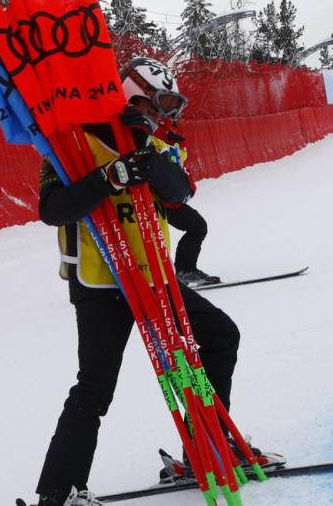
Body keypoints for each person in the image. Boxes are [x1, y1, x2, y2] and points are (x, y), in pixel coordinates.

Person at [32, 57, 241, 506]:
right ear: (130, 92)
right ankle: (59, 492)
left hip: (152, 275)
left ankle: (205, 447)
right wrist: (108, 177)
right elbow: (52, 208)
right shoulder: (74, 140)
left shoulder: (153, 139)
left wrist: (143, 144)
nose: (161, 115)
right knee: (94, 387)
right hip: (102, 283)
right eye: (156, 103)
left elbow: (179, 192)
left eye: (167, 107)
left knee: (221, 336)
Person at [158, 123, 221, 287]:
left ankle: (184, 271)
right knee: (196, 226)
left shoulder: (169, 132)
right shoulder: (157, 132)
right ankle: (182, 272)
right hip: (160, 201)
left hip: (169, 200)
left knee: (197, 226)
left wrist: (187, 190)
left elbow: (179, 168)